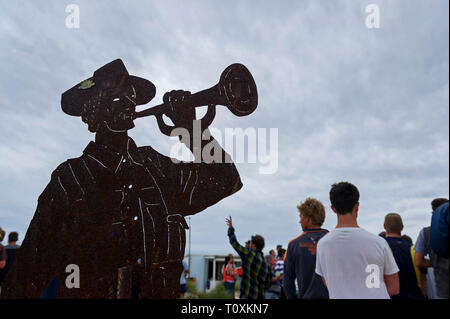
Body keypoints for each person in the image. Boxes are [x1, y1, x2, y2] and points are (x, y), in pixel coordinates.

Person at [1, 59, 243, 299]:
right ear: (94, 110)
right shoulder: (69, 180)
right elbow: (25, 278)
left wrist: (191, 129)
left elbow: (225, 179)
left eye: (131, 96)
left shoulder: (157, 168)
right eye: (118, 97)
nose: (129, 103)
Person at [315, 182, 400, 299]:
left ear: (333, 209)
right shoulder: (378, 242)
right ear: (357, 206)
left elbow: (327, 281)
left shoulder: (323, 245)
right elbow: (394, 288)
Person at [284, 198, 329, 299]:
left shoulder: (293, 244)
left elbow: (288, 281)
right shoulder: (334, 241)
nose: (299, 221)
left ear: (308, 219)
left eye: (301, 217)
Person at [226, 216, 271, 299]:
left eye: (250, 243)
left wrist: (231, 228)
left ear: (254, 245)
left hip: (247, 295)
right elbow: (268, 283)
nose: (249, 245)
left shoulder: (248, 254)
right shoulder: (266, 263)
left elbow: (234, 243)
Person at [383, 213, 424, 299]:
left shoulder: (382, 247)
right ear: (402, 227)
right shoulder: (414, 249)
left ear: (384, 226)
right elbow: (423, 279)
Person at [414, 198, 449, 299]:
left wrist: (435, 262)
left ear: (433, 213)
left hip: (442, 288)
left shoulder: (425, 232)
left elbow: (418, 261)